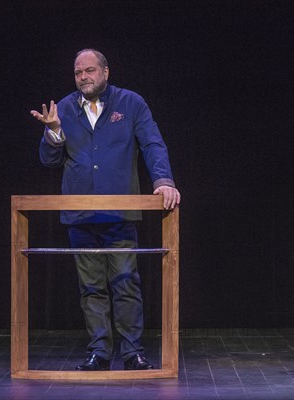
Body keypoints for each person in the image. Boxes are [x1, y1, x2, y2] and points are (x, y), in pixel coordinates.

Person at [30, 48, 180, 371]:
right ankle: (99, 351)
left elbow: (153, 143)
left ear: (106, 72)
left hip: (119, 215)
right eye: (77, 72)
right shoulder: (65, 109)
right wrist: (54, 131)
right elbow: (49, 161)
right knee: (91, 287)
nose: (83, 77)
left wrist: (163, 180)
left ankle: (132, 351)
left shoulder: (130, 104)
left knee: (126, 282)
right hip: (81, 217)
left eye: (89, 71)